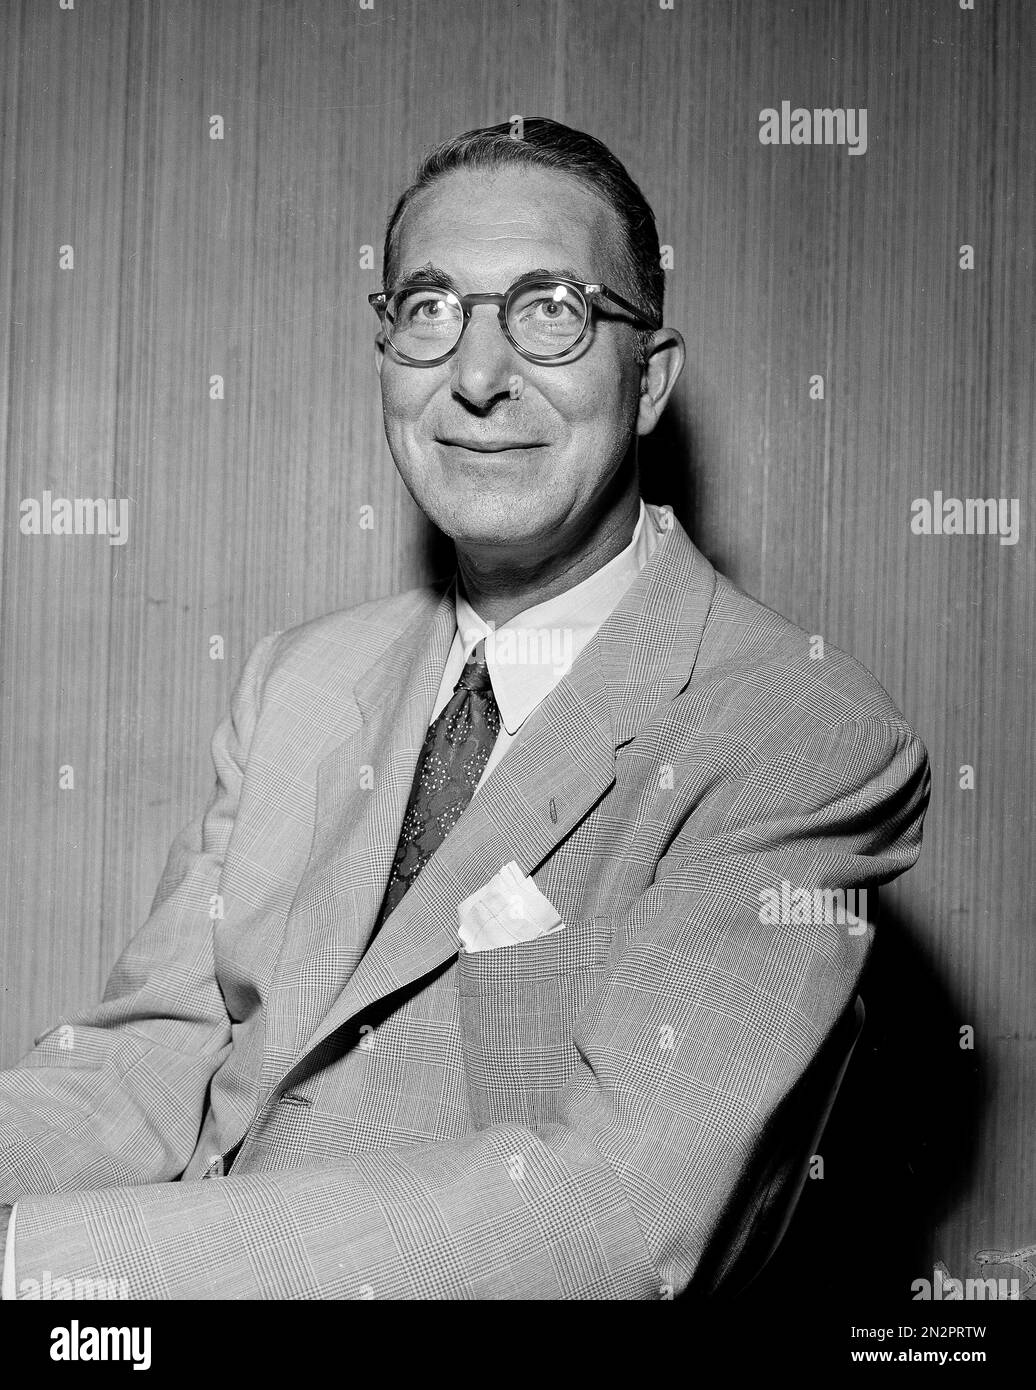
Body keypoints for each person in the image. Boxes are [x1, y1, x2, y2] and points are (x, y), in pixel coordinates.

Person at [0, 118, 929, 1300]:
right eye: (431, 308)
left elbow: (617, 1215)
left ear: (647, 382)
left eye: (552, 309)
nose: (478, 377)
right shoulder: (299, 680)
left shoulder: (802, 729)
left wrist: (36, 1267)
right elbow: (150, 1058)